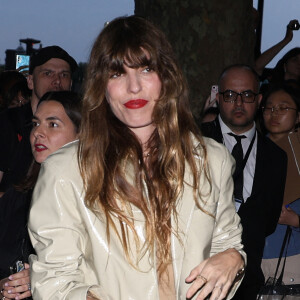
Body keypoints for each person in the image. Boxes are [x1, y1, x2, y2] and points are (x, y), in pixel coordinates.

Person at [28, 16, 246, 300]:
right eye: (117, 73)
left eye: (145, 69)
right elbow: (55, 280)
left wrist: (233, 259)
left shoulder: (210, 160)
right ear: (101, 86)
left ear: (166, 77)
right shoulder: (66, 170)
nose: (134, 87)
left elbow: (227, 243)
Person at [200, 64, 288, 299]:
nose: (238, 103)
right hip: (195, 276)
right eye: (230, 95)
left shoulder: (276, 157)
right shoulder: (193, 142)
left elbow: (269, 222)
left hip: (248, 281)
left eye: (247, 95)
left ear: (259, 100)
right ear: (218, 98)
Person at [0, 90, 82, 300]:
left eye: (52, 124)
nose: (38, 132)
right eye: (35, 124)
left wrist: (42, 279)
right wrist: (5, 287)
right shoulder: (15, 197)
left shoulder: (94, 201)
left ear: (82, 134)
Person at [0, 45, 77, 192]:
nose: (57, 81)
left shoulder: (84, 126)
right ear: (30, 81)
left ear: (71, 84)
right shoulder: (8, 123)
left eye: (64, 75)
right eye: (48, 73)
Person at [260, 85, 300, 284]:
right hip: (256, 255)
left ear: (298, 116)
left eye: (283, 108)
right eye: (269, 108)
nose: (274, 113)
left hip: (293, 253)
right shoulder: (251, 149)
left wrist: (296, 220)